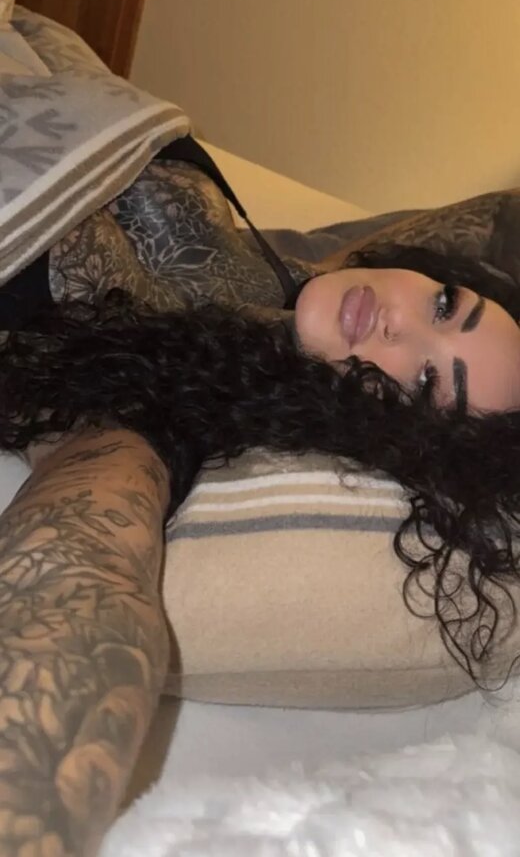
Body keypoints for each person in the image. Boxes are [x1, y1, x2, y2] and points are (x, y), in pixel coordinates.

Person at [0, 149, 520, 855]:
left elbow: (79, 566)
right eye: (445, 304)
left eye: (428, 381)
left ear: (404, 441)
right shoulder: (292, 281)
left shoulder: (172, 407)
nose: (400, 322)